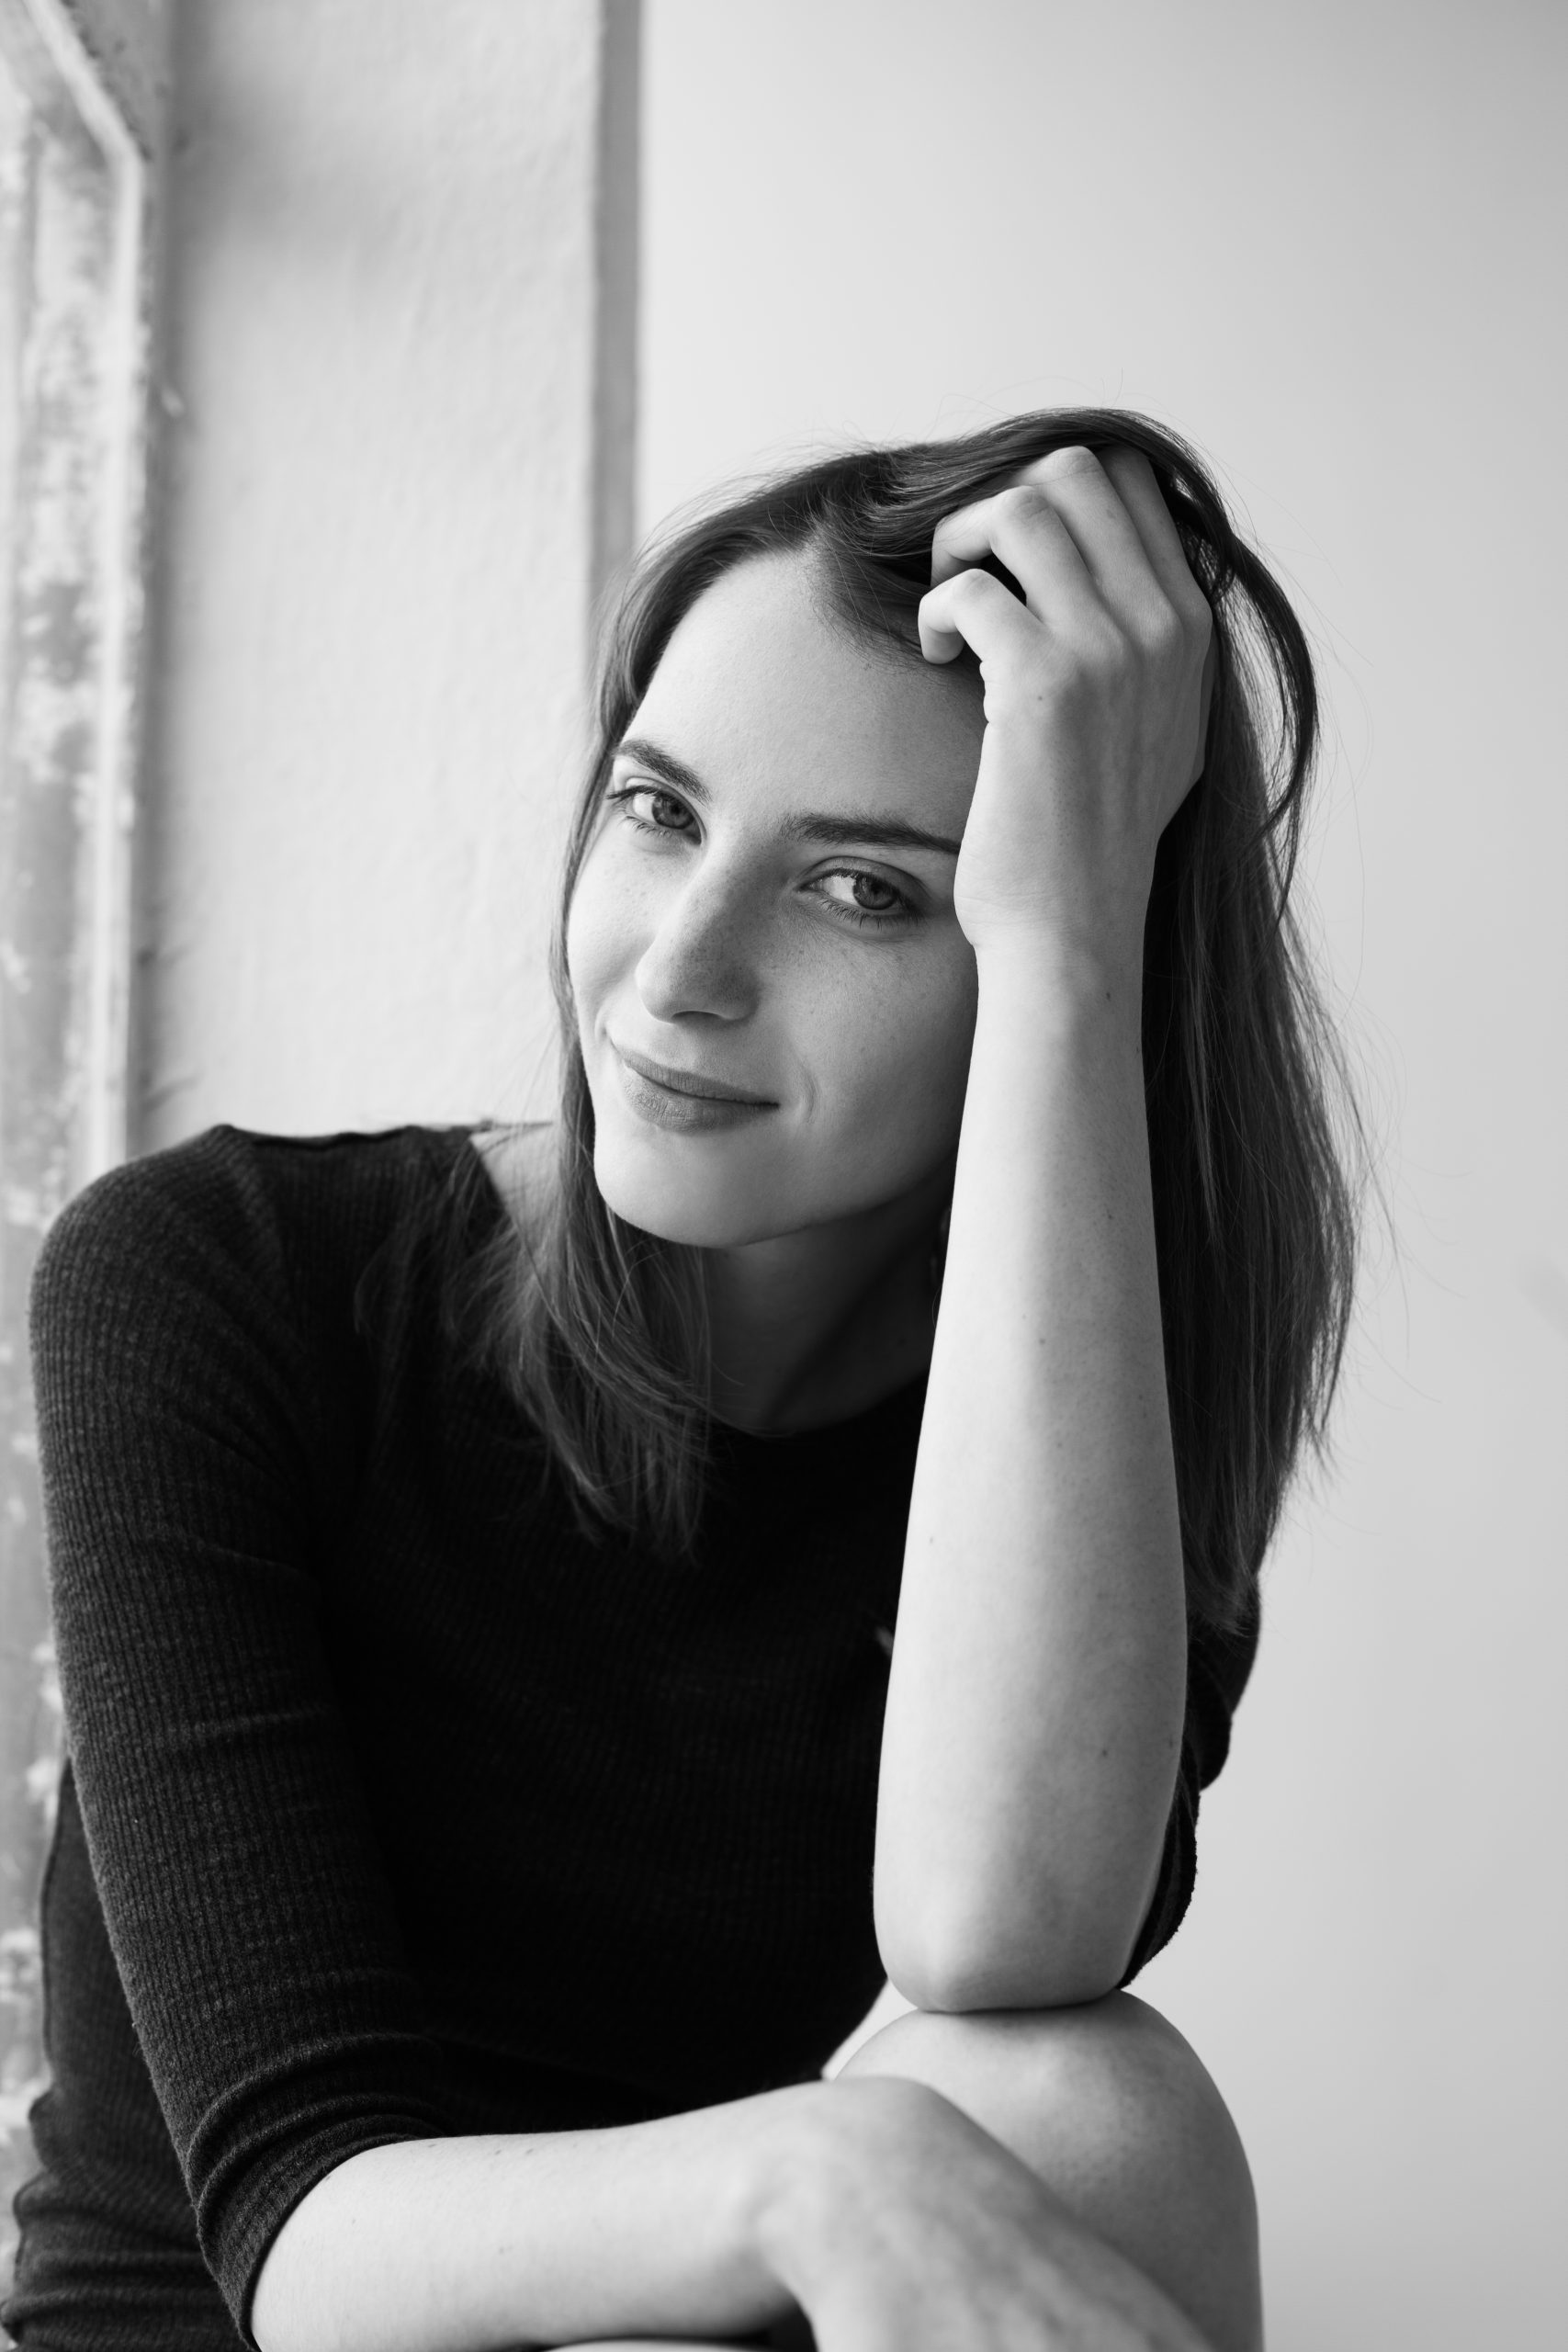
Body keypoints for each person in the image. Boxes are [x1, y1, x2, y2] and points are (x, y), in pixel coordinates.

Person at [6, 413, 1357, 2352]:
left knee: (1090, 2108)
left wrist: (1072, 946)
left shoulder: (1079, 1438)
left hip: (695, 2316)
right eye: (657, 810)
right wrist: (821, 2174)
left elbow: (1002, 1939)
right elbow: (300, 2229)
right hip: (247, 2317)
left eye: (867, 891)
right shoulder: (216, 1278)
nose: (679, 971)